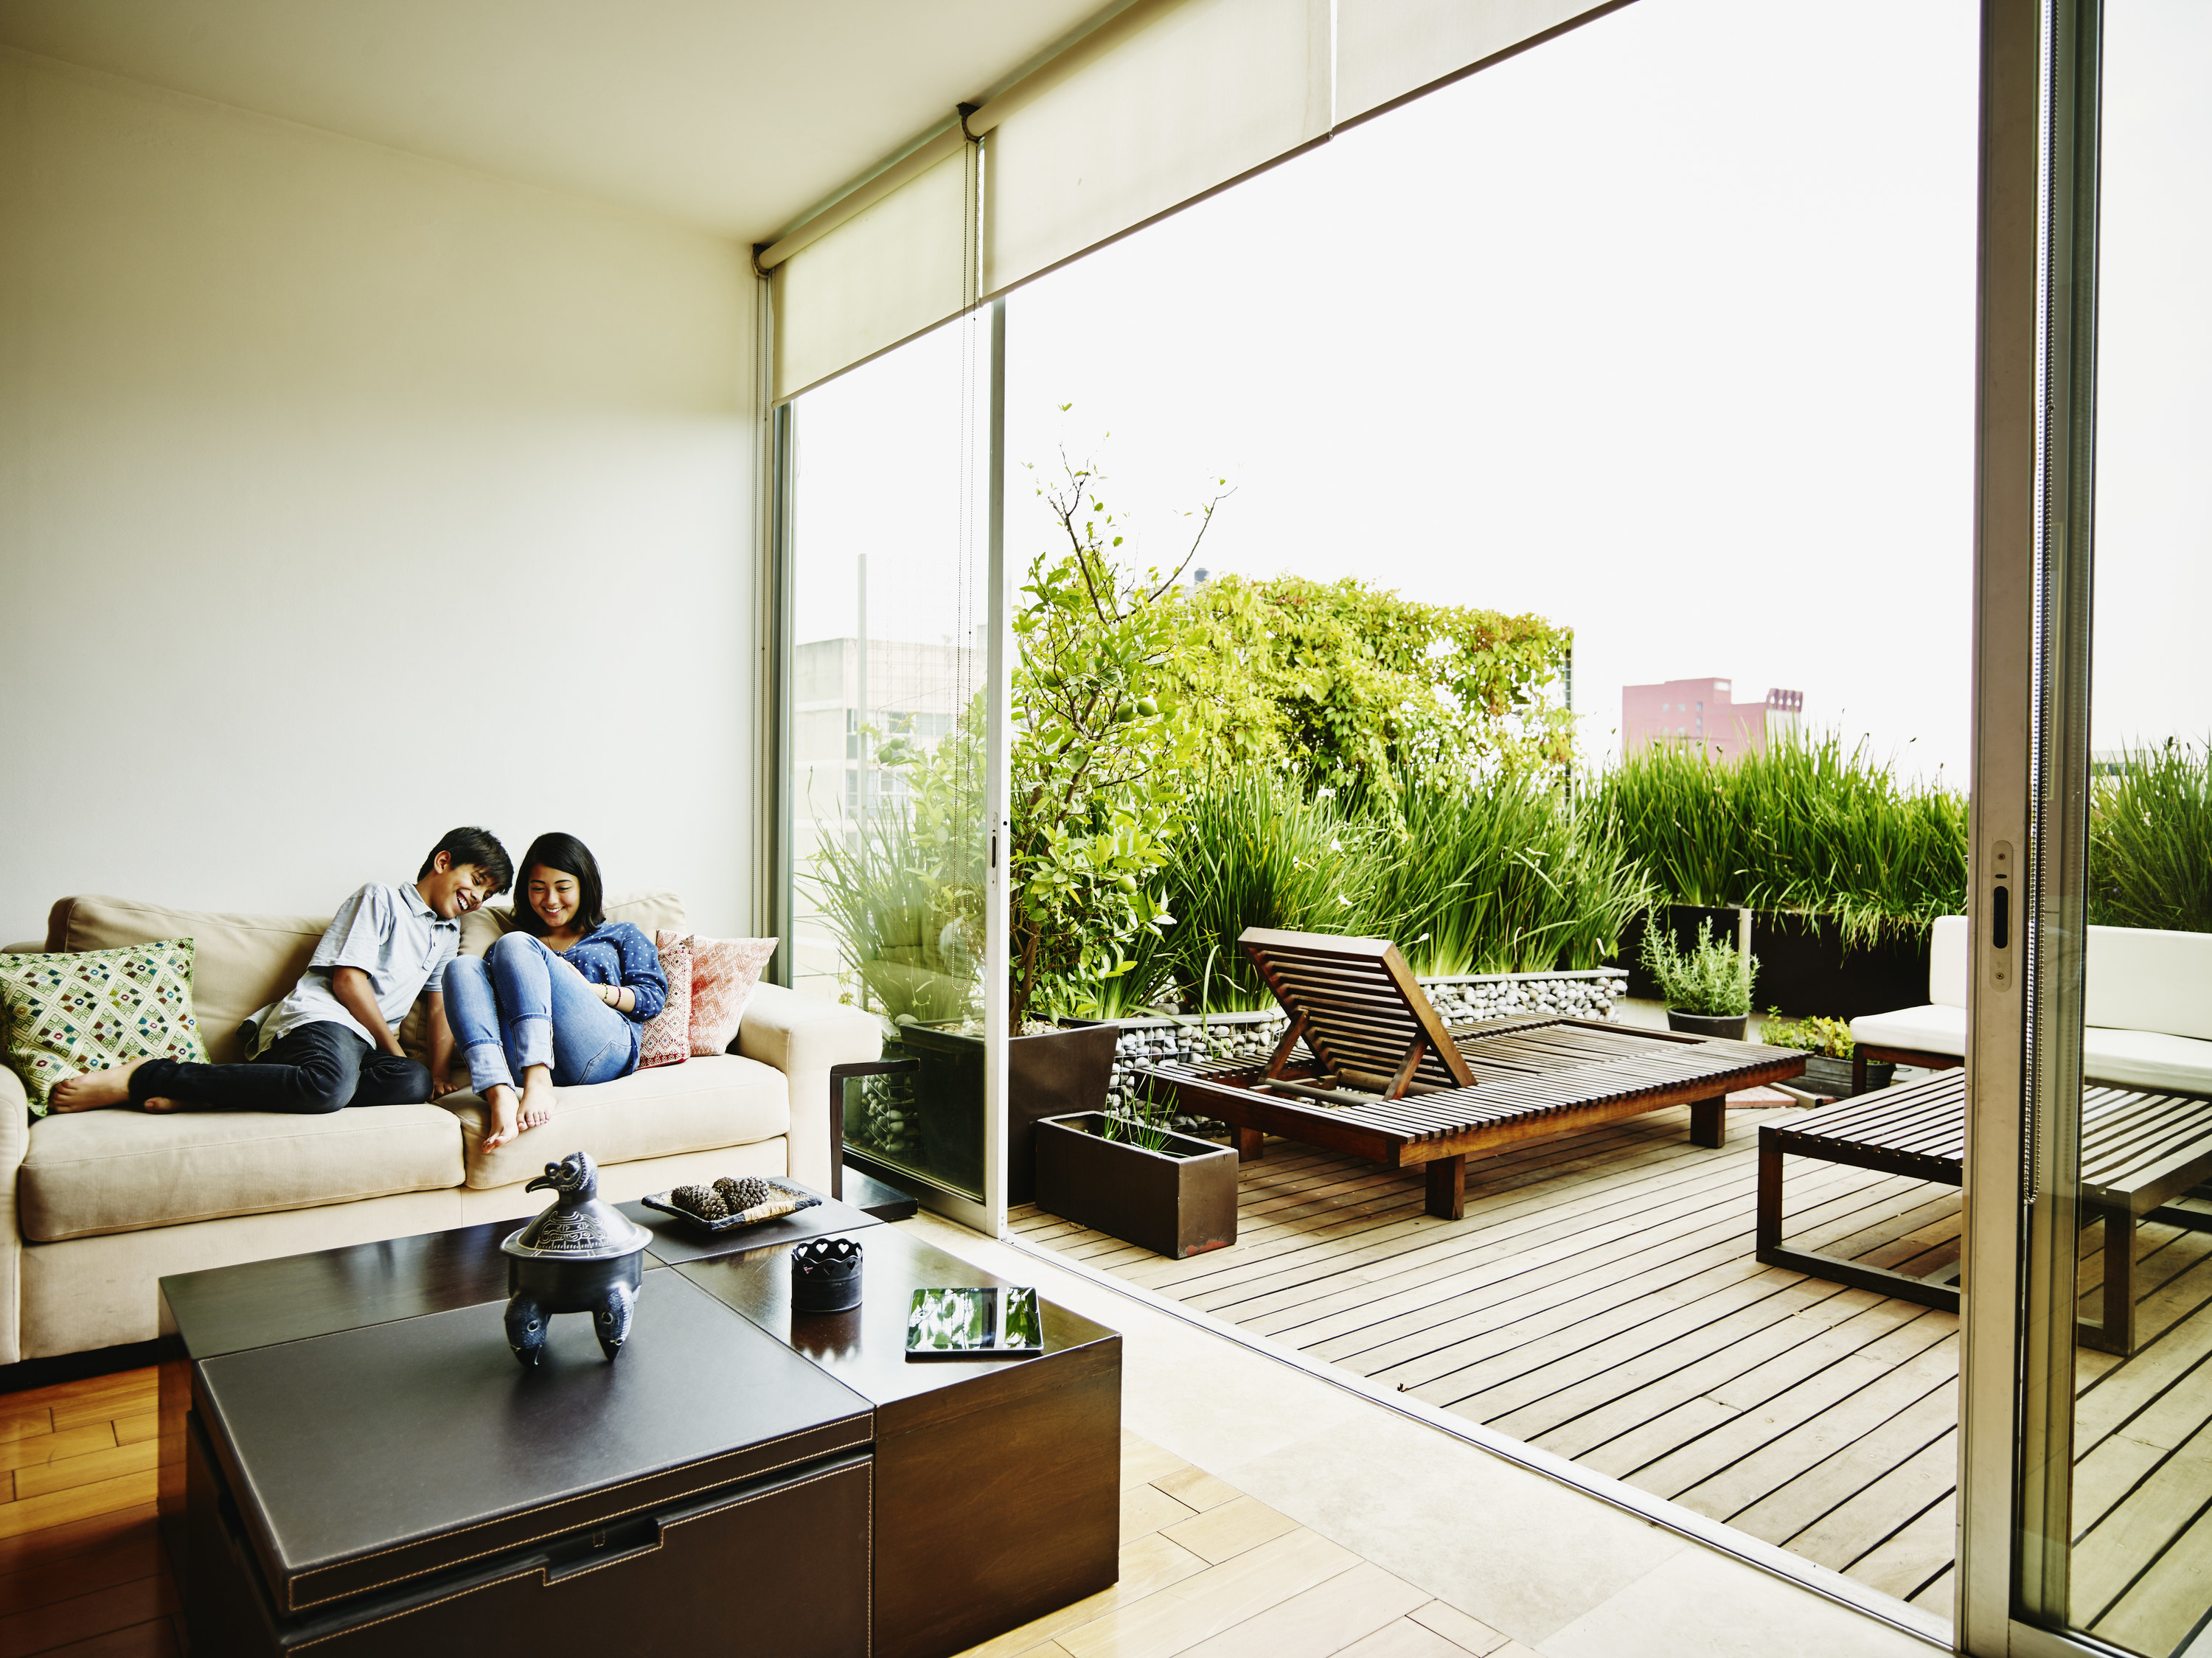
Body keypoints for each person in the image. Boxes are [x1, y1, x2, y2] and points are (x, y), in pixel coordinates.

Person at [49, 828, 513, 1115]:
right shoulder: (381, 898)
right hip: (324, 1020)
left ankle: (217, 1096)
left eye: (488, 893)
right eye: (477, 880)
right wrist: (393, 1046)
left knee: (409, 1084)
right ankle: (148, 1077)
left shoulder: (445, 935)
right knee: (326, 1087)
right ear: (444, 861)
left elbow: (437, 1006)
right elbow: (347, 981)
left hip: (365, 1046)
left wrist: (432, 1072)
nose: (478, 897)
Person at [443, 832, 666, 1152]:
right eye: (538, 889)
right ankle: (499, 1092)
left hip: (600, 1050)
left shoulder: (619, 933)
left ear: (584, 887)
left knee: (515, 942)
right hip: (516, 1060)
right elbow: (487, 1008)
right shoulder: (512, 947)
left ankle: (538, 1080)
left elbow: (652, 998)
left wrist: (591, 990)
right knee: (461, 968)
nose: (550, 900)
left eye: (563, 888)